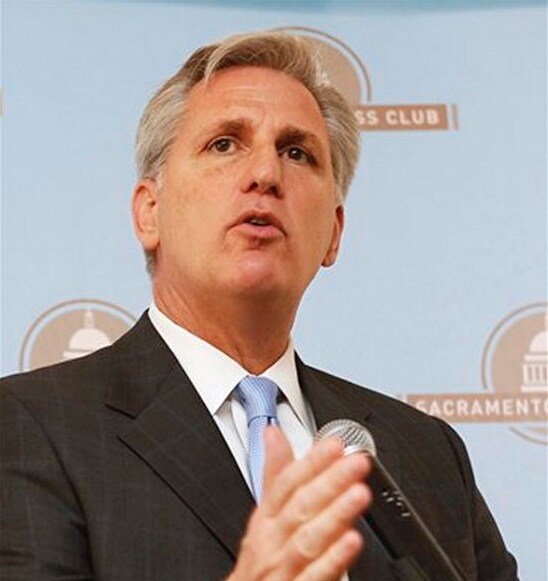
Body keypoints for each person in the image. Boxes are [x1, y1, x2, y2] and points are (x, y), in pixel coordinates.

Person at [0, 31, 517, 580]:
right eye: (224, 144)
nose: (266, 175)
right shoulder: (32, 426)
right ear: (149, 212)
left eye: (297, 153)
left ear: (334, 233)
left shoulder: (427, 454)